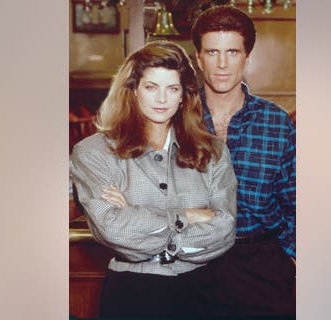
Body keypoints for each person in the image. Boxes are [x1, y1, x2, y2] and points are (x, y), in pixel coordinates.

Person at [70, 40, 237, 317]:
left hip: (204, 293)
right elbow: (114, 230)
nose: (162, 99)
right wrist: (188, 215)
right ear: (134, 91)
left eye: (172, 89)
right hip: (134, 293)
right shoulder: (93, 152)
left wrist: (137, 217)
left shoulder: (214, 151)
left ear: (184, 95)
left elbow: (225, 229)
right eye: (151, 87)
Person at [191, 5, 297, 316]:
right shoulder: (176, 118)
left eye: (232, 52)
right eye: (212, 52)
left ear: (247, 57)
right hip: (193, 264)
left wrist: (289, 257)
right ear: (198, 58)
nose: (222, 64)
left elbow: (298, 201)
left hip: (261, 266)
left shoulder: (276, 122)